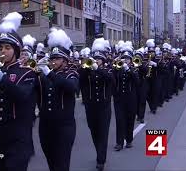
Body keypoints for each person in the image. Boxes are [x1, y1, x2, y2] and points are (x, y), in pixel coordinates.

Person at [0, 12, 38, 171]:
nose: (3, 51)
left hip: (18, 139)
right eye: (1, 48)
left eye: (7, 48)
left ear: (16, 50)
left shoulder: (27, 73)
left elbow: (21, 95)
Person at [37, 28, 78, 171]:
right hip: (45, 126)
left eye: (57, 59)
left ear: (65, 61)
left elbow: (71, 87)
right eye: (52, 58)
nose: (53, 61)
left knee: (61, 165)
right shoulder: (44, 75)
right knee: (51, 163)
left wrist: (48, 73)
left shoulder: (70, 74)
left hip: (64, 127)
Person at [78, 38, 114, 171]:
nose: (96, 60)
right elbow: (80, 77)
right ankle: (99, 153)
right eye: (95, 58)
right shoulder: (87, 70)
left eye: (99, 59)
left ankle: (101, 159)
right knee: (94, 133)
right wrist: (86, 67)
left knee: (103, 133)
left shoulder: (108, 69)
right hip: (91, 107)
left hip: (104, 108)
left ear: (103, 60)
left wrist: (97, 68)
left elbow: (110, 79)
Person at [113, 41, 139, 151]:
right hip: (119, 99)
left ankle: (129, 140)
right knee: (119, 120)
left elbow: (137, 82)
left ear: (131, 60)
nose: (126, 60)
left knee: (130, 119)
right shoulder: (117, 68)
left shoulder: (134, 69)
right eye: (124, 58)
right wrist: (115, 65)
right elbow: (112, 78)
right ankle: (119, 142)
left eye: (128, 58)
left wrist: (128, 69)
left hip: (131, 99)